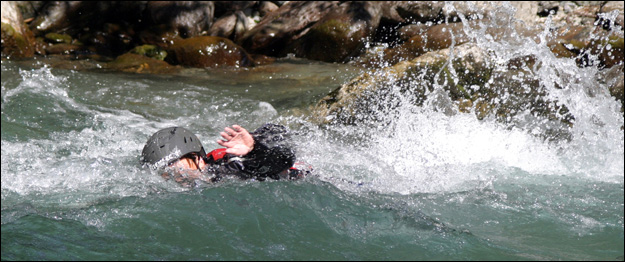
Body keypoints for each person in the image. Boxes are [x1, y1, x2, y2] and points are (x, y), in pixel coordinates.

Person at [140, 123, 312, 187]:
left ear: (197, 158)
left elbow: (285, 153)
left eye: (176, 169)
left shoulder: (230, 166)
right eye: (165, 174)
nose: (173, 178)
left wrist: (255, 145)